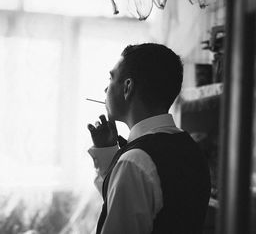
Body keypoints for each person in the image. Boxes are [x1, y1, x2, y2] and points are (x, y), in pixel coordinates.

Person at [87, 43, 211, 234]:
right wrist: (108, 152)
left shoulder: (134, 162)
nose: (106, 88)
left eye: (111, 78)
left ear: (128, 87)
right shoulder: (189, 147)